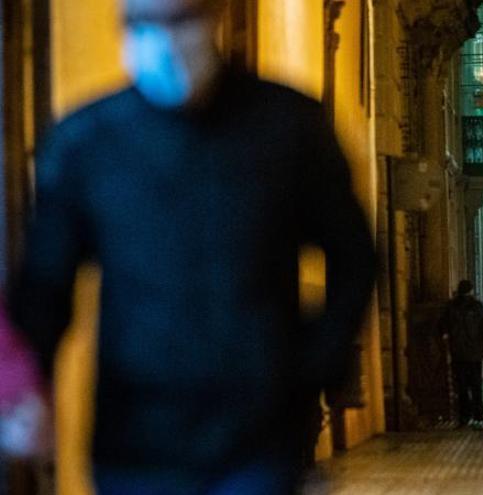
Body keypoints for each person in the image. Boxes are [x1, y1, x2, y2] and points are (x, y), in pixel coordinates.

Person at [9, 0, 376, 493]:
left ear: (215, 18)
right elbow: (46, 282)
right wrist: (27, 386)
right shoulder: (88, 144)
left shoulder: (287, 128)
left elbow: (353, 255)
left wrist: (313, 364)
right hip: (136, 435)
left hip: (258, 433)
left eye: (181, 20)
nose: (165, 41)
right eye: (144, 23)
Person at [438, 280, 483, 426]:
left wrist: (447, 338)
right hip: (474, 353)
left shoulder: (451, 307)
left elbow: (443, 326)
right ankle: (479, 415)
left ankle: (464, 415)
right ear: (471, 291)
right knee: (476, 384)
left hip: (458, 352)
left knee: (461, 385)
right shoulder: (476, 306)